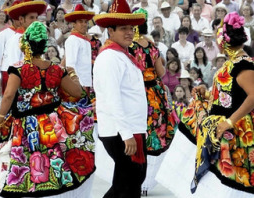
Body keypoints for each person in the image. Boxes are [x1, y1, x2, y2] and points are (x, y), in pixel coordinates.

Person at [156, 12, 254, 198]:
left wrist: (229, 122)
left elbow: (253, 97)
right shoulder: (231, 63)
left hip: (235, 130)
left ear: (223, 41)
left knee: (229, 182)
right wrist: (207, 93)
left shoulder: (244, 65)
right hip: (220, 128)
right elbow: (228, 95)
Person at [0, 20, 94, 197]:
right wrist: (73, 75)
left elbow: (8, 96)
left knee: (25, 159)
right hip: (52, 121)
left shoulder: (18, 69)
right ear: (44, 45)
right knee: (53, 156)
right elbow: (77, 93)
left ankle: (28, 187)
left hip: (25, 123)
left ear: (26, 44)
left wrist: (1, 118)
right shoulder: (56, 69)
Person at [93, 0, 148, 196]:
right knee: (126, 186)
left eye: (131, 28)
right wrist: (126, 134)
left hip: (132, 129)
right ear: (110, 31)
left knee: (132, 183)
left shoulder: (122, 55)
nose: (129, 32)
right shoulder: (109, 57)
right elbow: (112, 97)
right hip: (121, 131)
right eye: (123, 28)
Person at [127, 8, 178, 197]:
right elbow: (162, 73)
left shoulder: (127, 47)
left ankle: (136, 179)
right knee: (153, 135)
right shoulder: (152, 46)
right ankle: (146, 182)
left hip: (135, 93)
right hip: (154, 94)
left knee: (136, 134)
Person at [5, 0, 47, 89]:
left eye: (36, 17)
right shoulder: (15, 40)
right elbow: (14, 66)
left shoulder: (38, 38)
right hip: (24, 87)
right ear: (21, 19)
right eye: (31, 18)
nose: (35, 21)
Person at [64, 4, 94, 89]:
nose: (84, 24)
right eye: (81, 21)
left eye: (85, 22)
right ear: (74, 24)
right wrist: (76, 84)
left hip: (87, 83)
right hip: (79, 85)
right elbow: (70, 65)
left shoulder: (86, 41)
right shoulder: (72, 39)